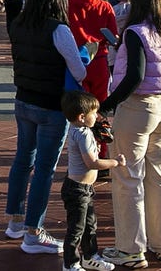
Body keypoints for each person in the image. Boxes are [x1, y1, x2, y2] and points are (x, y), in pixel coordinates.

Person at [97, 0, 161, 269]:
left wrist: (107, 104)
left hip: (138, 107)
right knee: (159, 173)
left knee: (128, 177)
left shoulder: (135, 33)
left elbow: (135, 75)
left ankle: (131, 249)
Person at [4, 0, 87, 256]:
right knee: (44, 169)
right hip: (51, 106)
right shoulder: (59, 29)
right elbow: (79, 71)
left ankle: (15, 221)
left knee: (22, 160)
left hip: (23, 99)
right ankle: (33, 233)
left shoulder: (18, 23)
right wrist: (85, 53)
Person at [59, 91, 124, 271]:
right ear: (82, 117)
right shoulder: (83, 134)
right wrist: (115, 162)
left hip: (83, 189)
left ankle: (90, 256)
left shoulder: (77, 128)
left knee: (89, 225)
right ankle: (70, 263)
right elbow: (92, 163)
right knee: (76, 229)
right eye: (94, 113)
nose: (97, 116)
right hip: (78, 190)